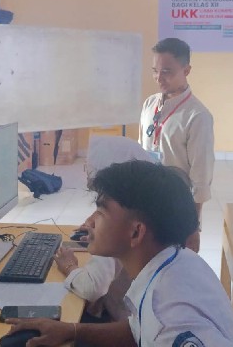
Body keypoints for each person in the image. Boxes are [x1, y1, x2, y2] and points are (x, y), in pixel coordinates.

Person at [5, 160, 233, 347]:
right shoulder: (173, 259)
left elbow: (157, 328)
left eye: (101, 212)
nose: (90, 222)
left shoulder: (169, 322)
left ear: (136, 233)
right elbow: (138, 329)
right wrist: (71, 330)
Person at [54, 135, 158, 322]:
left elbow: (92, 287)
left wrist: (69, 266)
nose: (86, 171)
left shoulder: (118, 223)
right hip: (137, 316)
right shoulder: (143, 206)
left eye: (89, 166)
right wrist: (98, 227)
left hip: (122, 321)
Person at [138, 37, 215, 252]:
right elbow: (141, 150)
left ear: (186, 70)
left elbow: (201, 175)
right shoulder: (150, 104)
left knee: (173, 261)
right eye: (155, 71)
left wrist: (192, 227)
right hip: (146, 201)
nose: (159, 78)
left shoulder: (197, 116)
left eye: (167, 72)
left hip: (176, 207)